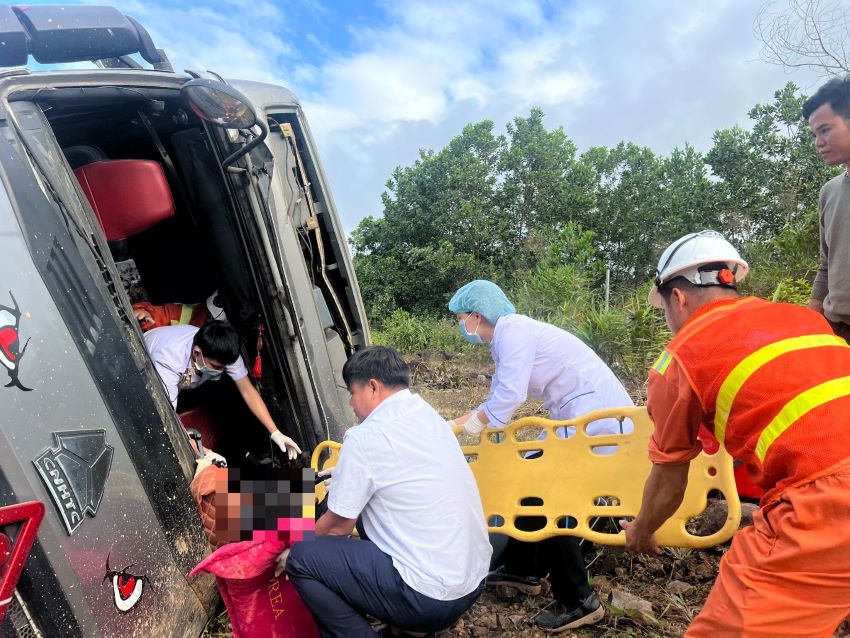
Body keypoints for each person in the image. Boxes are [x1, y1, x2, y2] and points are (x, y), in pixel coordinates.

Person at [622, 230, 850, 636]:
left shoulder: (680, 359)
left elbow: (670, 480)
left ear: (678, 299)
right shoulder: (803, 317)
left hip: (828, 502)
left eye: (665, 312)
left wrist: (641, 530)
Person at [448, 280, 634, 632]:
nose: (462, 326)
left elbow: (507, 397)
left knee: (548, 494)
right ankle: (523, 568)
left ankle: (578, 599)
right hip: (579, 419)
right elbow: (496, 396)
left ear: (476, 315)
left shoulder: (512, 332)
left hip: (597, 422)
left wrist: (463, 428)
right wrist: (464, 424)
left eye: (461, 318)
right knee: (525, 473)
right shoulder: (507, 338)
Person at [285, 346, 492, 637]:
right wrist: (347, 477)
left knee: (303, 558)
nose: (350, 403)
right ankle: (404, 631)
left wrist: (292, 546)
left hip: (429, 597)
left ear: (373, 387)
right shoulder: (427, 415)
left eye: (352, 392)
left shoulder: (365, 436)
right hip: (471, 583)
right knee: (373, 518)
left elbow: (336, 529)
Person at [143, 320, 301, 460]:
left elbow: (247, 390)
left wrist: (275, 432)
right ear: (197, 353)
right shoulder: (168, 361)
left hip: (188, 376)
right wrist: (204, 454)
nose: (221, 370)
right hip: (146, 372)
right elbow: (169, 419)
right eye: (217, 367)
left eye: (224, 367)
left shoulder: (223, 353)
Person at [803, 76, 850, 341]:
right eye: (814, 135)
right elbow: (826, 265)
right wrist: (810, 321)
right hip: (838, 331)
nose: (818, 142)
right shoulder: (829, 193)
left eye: (825, 130)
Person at [133, 291, 226, 331]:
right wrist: (144, 314)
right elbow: (161, 315)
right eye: (208, 314)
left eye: (211, 317)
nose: (208, 318)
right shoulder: (192, 312)